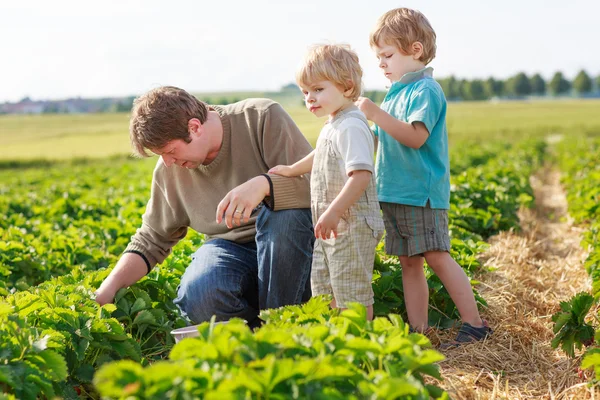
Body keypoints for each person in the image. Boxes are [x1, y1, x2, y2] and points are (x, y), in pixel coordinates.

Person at [94, 86, 315, 329]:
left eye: (170, 151)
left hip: (294, 252)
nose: (167, 162)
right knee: (200, 292)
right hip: (233, 251)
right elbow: (152, 239)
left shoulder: (261, 118)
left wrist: (266, 185)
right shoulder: (169, 171)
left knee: (285, 219)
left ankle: (281, 329)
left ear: (194, 127)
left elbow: (320, 185)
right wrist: (110, 286)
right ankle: (253, 337)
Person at [356, 8, 492, 344]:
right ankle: (419, 331)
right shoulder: (395, 93)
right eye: (379, 57)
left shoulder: (426, 91)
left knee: (436, 255)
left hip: (422, 193)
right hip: (395, 191)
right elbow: (379, 137)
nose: (382, 64)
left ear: (415, 50)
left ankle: (475, 324)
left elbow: (415, 137)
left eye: (387, 55)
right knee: (408, 263)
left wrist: (374, 112)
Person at [269, 44, 384, 320]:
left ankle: (361, 345)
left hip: (351, 224)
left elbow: (361, 176)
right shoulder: (335, 122)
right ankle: (338, 343)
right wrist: (292, 170)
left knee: (352, 294)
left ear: (346, 87)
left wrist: (333, 212)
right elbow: (321, 154)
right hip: (333, 225)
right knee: (328, 290)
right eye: (305, 92)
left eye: (318, 90)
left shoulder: (352, 126)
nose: (310, 98)